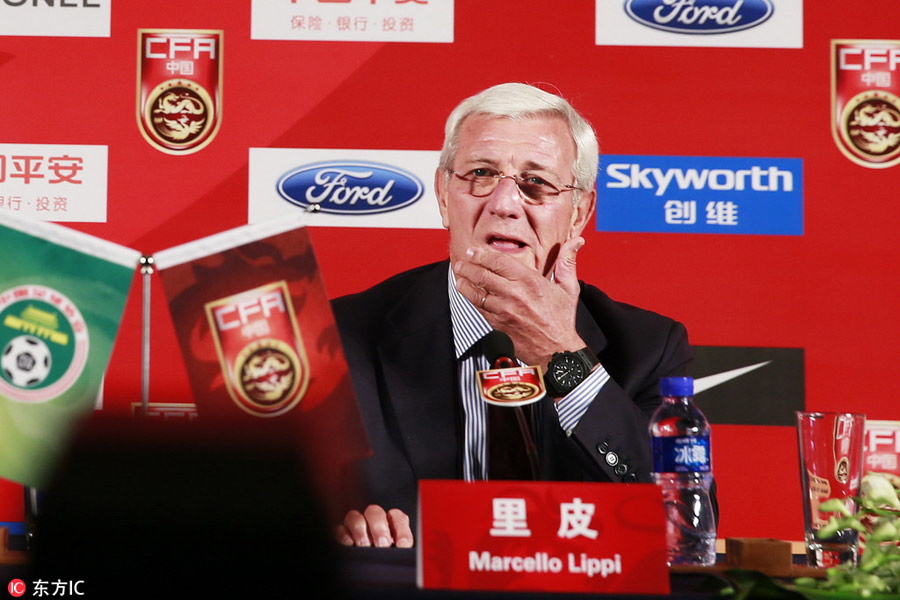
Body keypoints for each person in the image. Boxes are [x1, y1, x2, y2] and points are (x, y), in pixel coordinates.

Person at [332, 83, 693, 549]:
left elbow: (680, 526)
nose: (503, 205)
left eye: (536, 183)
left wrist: (562, 353)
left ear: (579, 212)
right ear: (444, 194)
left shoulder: (648, 346)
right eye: (480, 173)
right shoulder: (340, 337)